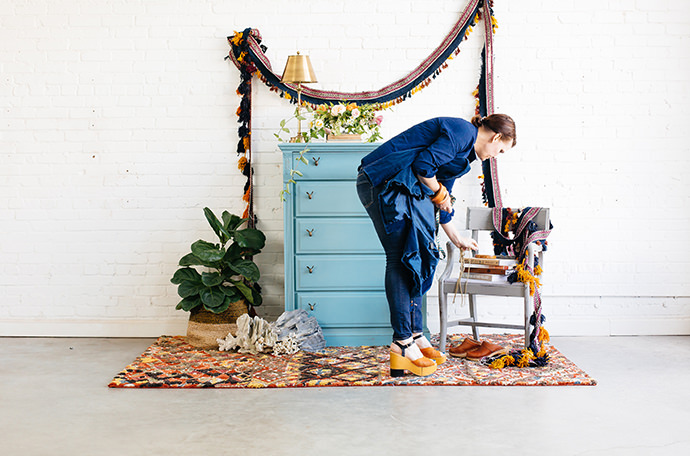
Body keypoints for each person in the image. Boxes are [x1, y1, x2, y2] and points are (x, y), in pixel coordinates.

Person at [356, 114, 516, 377]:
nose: (495, 156)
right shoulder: (462, 132)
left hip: (405, 189)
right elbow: (423, 166)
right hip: (383, 182)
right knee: (399, 258)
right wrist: (439, 192)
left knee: (419, 256)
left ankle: (416, 335)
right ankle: (402, 343)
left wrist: (456, 237)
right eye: (499, 150)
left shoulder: (465, 157)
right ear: (496, 136)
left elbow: (440, 199)